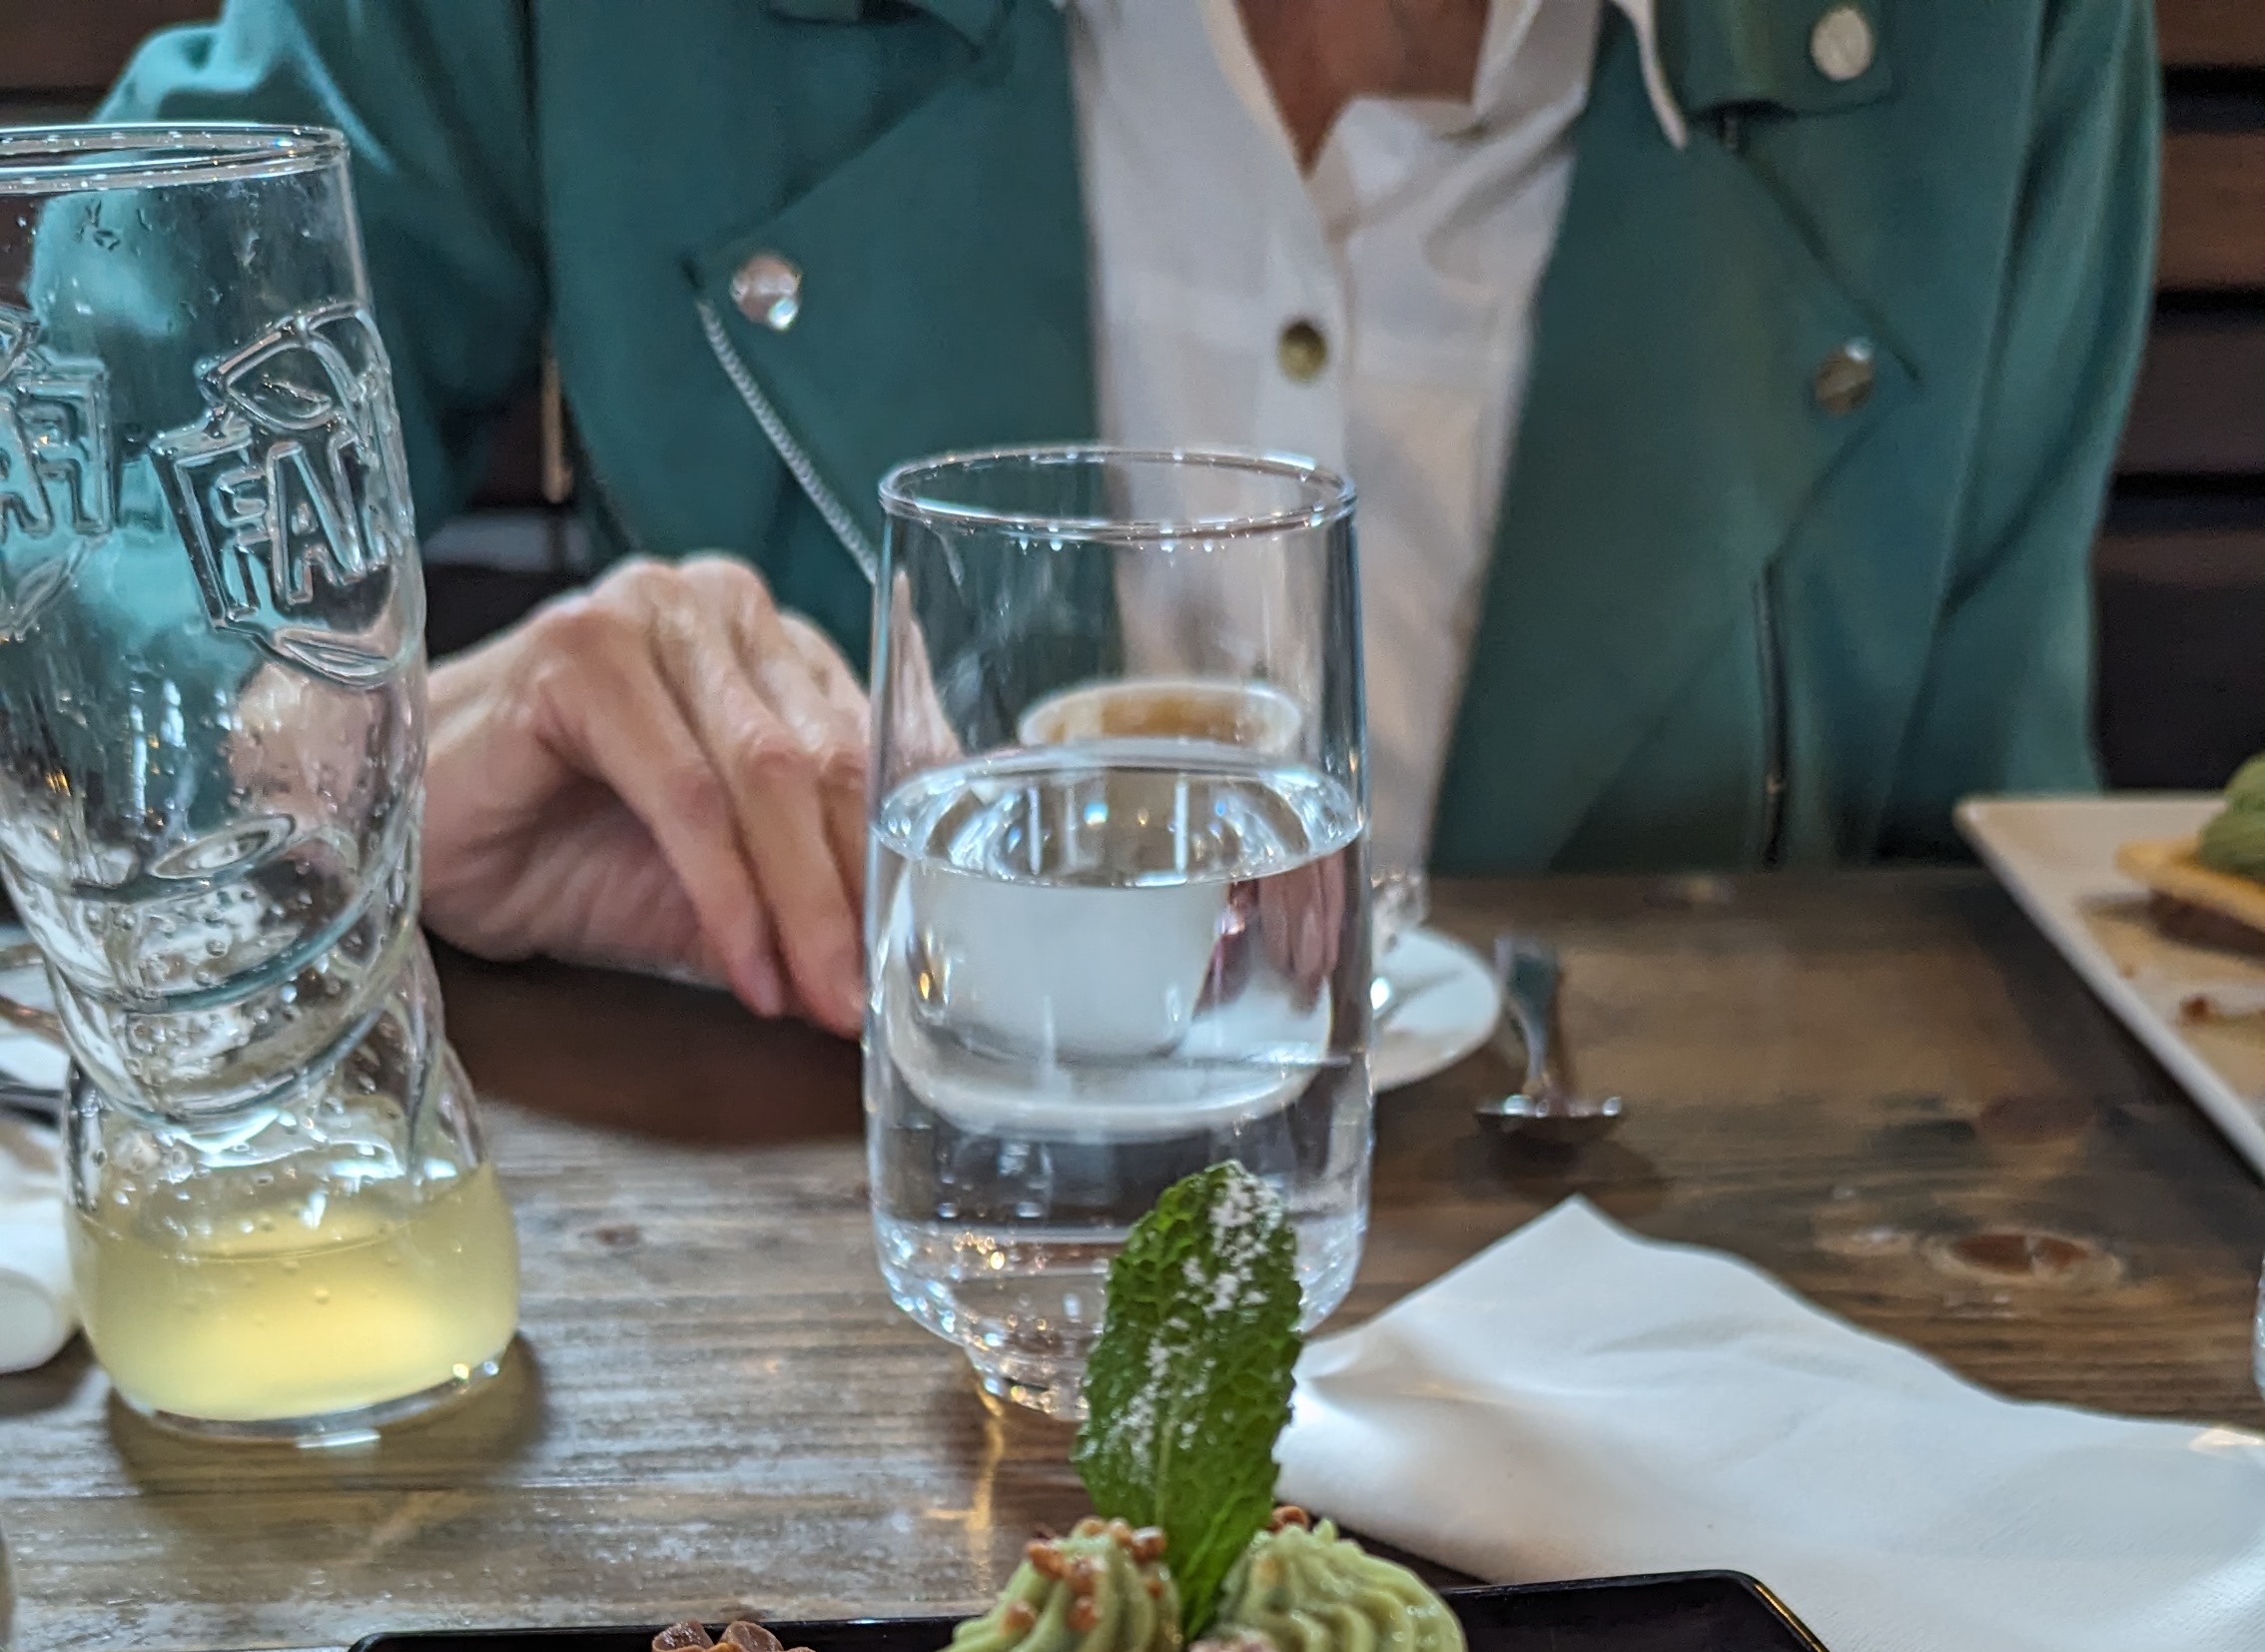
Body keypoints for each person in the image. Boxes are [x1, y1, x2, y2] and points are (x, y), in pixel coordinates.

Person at [107, 0, 2157, 1041]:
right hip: (821, 1365)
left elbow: (1994, 930)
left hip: (1699, 1461)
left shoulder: (1998, 45)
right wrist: (343, 760)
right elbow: (79, 456)